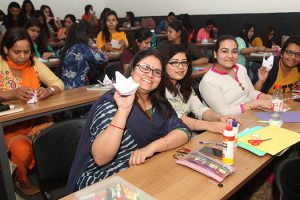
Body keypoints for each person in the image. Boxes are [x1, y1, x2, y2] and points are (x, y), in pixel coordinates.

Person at [65, 49, 191, 193]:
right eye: (145, 68)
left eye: (157, 72)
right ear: (131, 70)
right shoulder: (112, 103)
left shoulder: (159, 104)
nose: (150, 75)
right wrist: (123, 111)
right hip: (102, 178)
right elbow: (100, 158)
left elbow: (183, 131)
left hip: (143, 169)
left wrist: (151, 147)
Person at [0, 27, 64, 195]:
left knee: (55, 136)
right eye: (17, 52)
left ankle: (45, 174)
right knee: (21, 149)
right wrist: (11, 93)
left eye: (26, 52)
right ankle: (21, 179)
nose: (22, 57)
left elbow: (58, 83)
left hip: (35, 119)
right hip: (7, 126)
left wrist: (48, 91)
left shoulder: (34, 64)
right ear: (6, 49)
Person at [159, 43, 236, 133]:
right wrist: (209, 125)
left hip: (185, 132)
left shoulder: (183, 85)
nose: (181, 67)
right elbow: (176, 118)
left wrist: (219, 117)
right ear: (163, 65)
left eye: (184, 62)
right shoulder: (158, 89)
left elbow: (199, 108)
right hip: (168, 135)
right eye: (174, 62)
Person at [199, 35, 272, 115]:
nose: (230, 56)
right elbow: (224, 113)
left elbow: (251, 93)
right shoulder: (209, 81)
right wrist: (254, 104)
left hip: (250, 115)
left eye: (234, 51)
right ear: (215, 54)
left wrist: (268, 97)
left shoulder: (240, 68)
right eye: (224, 51)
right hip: (229, 124)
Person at [60, 21, 108, 90]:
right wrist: (94, 47)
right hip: (79, 88)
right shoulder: (83, 49)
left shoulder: (68, 47)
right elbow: (104, 58)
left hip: (65, 87)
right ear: (86, 35)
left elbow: (57, 53)